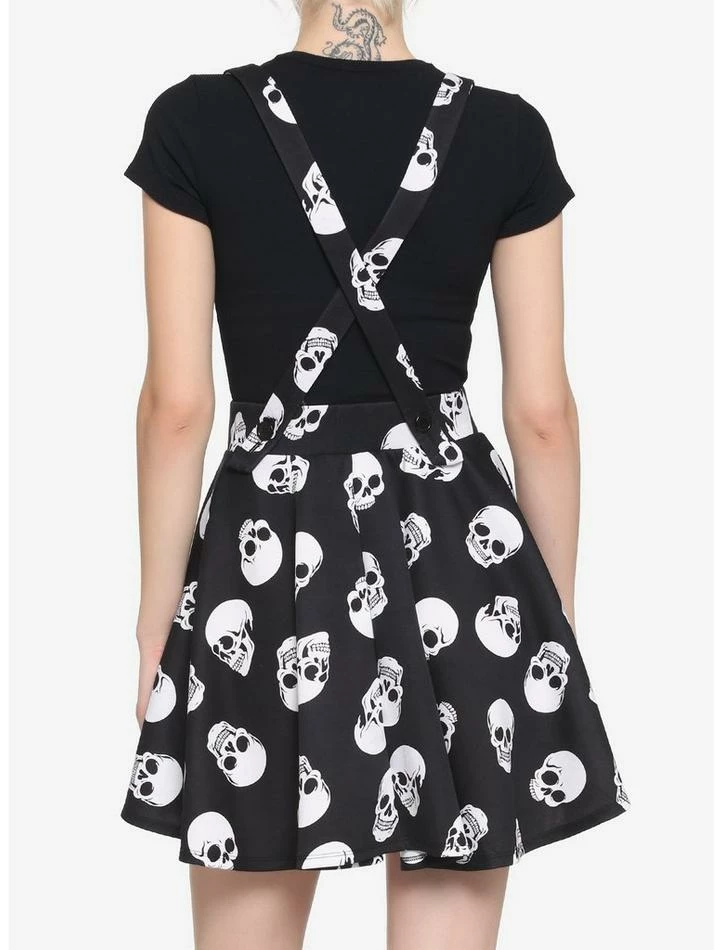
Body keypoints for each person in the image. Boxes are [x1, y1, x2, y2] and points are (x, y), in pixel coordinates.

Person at [120, 1, 630, 947]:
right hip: (459, 554)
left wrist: (157, 622)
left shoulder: (194, 121)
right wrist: (550, 610)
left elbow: (178, 405)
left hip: (266, 562)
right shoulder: (507, 131)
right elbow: (542, 414)